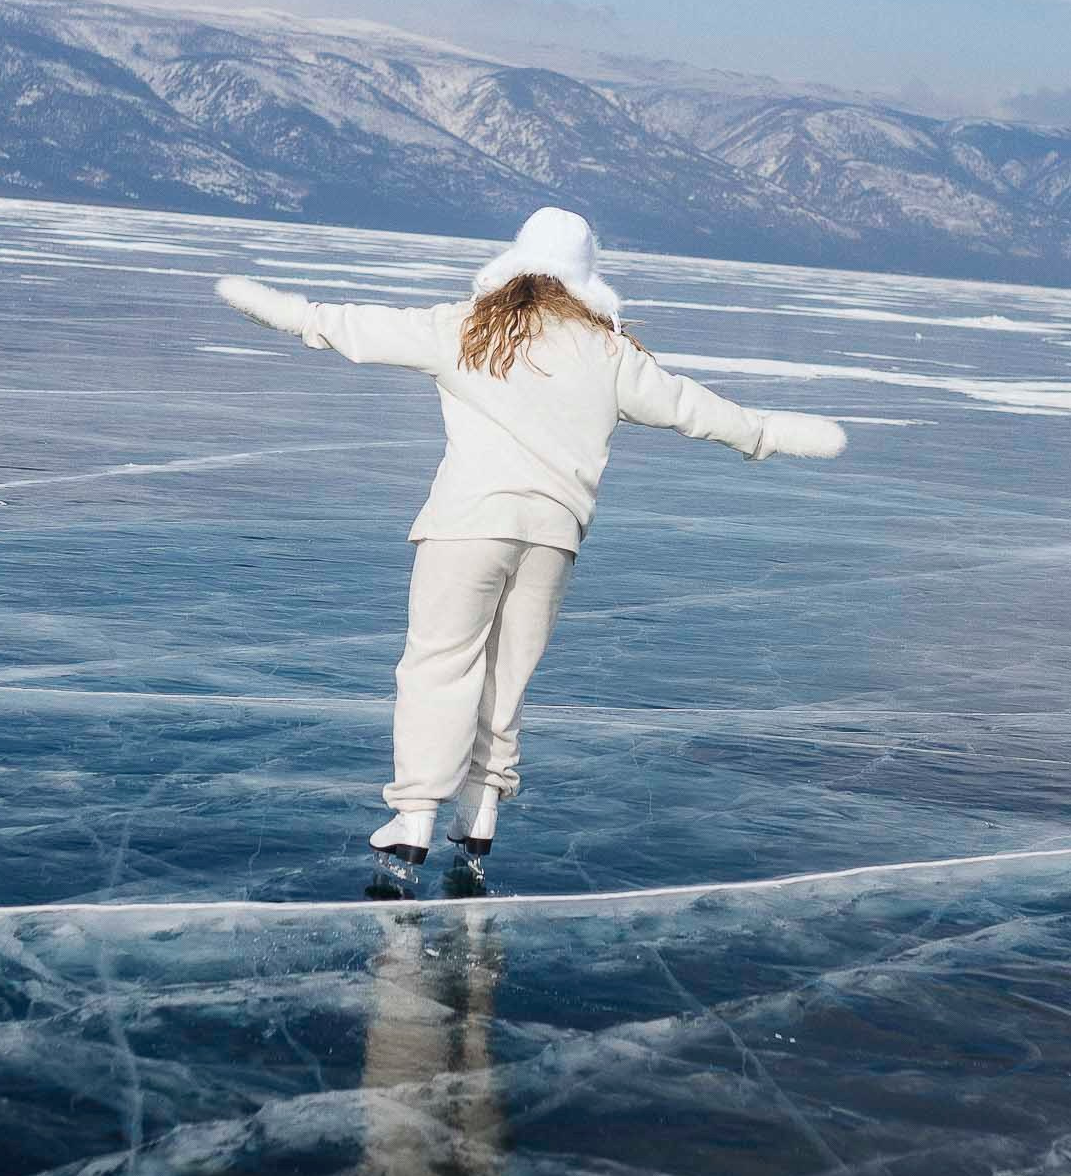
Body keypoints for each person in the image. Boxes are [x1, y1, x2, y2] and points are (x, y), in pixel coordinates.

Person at [216, 206, 847, 891]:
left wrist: (277, 308)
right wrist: (766, 433)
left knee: (438, 666)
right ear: (585, 274)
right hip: (552, 539)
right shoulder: (608, 353)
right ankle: (480, 809)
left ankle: (416, 817)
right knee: (505, 679)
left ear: (516, 259)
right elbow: (694, 407)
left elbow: (350, 327)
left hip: (468, 526)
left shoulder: (467, 327)